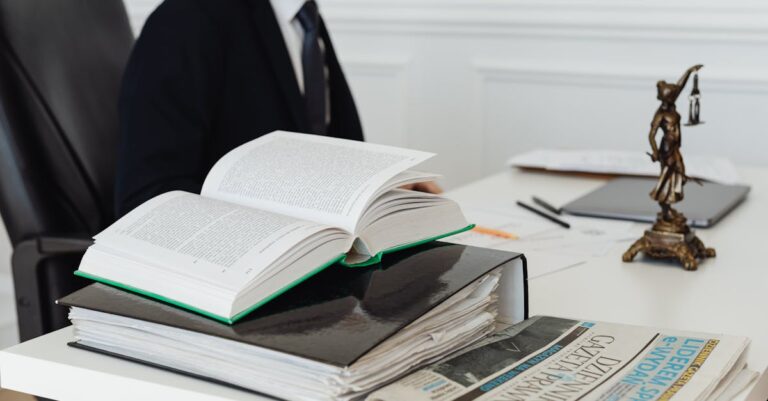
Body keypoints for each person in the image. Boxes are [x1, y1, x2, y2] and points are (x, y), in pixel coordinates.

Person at [116, 0, 441, 217]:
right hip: (224, 281)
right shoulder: (186, 21)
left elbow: (321, 150)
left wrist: (378, 189)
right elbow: (147, 200)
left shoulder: (304, 20)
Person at [648, 64, 702, 220]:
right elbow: (651, 134)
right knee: (667, 178)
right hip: (667, 149)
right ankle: (665, 209)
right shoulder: (661, 114)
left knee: (681, 175)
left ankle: (668, 207)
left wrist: (689, 72)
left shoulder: (671, 105)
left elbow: (680, 85)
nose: (675, 96)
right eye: (672, 95)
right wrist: (655, 152)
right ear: (667, 97)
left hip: (675, 147)